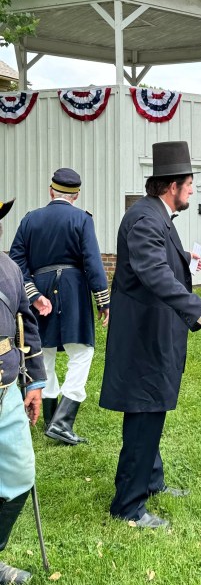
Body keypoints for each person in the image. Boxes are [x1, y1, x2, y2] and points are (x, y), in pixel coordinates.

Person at [99, 141, 201, 529]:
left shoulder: (154, 215)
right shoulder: (146, 219)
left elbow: (158, 265)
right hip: (144, 338)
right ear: (170, 185)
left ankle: (151, 482)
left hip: (154, 332)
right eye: (190, 182)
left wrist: (185, 261)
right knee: (144, 413)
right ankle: (128, 506)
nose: (193, 189)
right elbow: (152, 274)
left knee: (152, 409)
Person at [9, 168, 110, 445]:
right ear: (76, 195)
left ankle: (50, 421)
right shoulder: (82, 219)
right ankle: (63, 421)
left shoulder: (30, 220)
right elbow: (92, 261)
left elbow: (17, 260)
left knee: (45, 354)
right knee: (82, 352)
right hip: (74, 289)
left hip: (40, 288)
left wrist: (32, 294)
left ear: (50, 191)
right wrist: (103, 300)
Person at [0, 197, 46, 585]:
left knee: (19, 474)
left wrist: (34, 383)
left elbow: (26, 328)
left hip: (7, 390)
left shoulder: (9, 269)